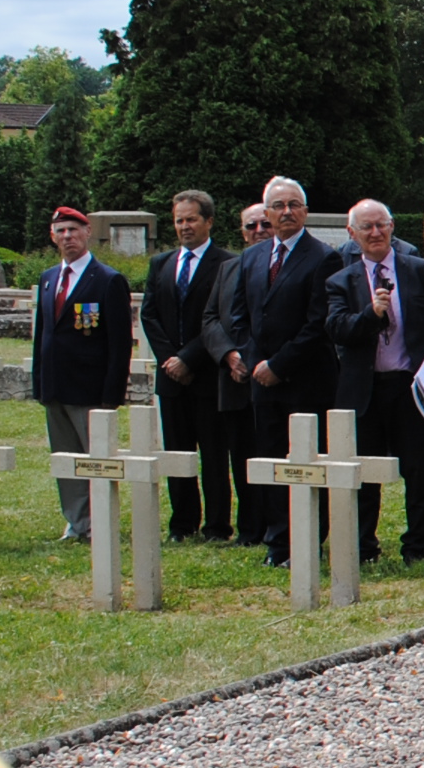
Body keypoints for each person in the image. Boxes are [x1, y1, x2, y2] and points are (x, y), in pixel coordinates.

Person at [221, 177, 344, 569]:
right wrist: (256, 360)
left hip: (306, 382)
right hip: (263, 383)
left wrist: (279, 365)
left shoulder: (323, 257)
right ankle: (278, 542)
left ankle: (309, 539)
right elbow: (240, 316)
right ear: (266, 213)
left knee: (308, 465)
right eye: (278, 205)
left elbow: (317, 322)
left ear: (305, 212)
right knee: (271, 462)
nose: (286, 212)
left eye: (294, 204)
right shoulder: (253, 258)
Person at [325, 200, 424, 564]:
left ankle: (418, 547)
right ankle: (363, 547)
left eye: (381, 225)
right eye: (367, 228)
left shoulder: (419, 271)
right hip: (365, 390)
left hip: (410, 386)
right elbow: (338, 330)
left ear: (391, 227)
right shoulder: (340, 281)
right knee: (363, 473)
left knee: (419, 469)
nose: (375, 233)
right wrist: (371, 314)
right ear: (352, 234)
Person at [31, 206, 135, 542]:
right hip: (56, 387)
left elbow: (120, 344)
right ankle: (77, 523)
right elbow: (42, 336)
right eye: (60, 231)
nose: (67, 237)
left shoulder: (107, 280)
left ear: (87, 232)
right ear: (52, 236)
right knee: (66, 461)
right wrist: (39, 382)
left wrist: (111, 394)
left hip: (90, 389)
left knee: (96, 461)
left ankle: (100, 521)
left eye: (73, 230)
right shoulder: (48, 279)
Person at [141, 189, 235, 540]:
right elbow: (150, 315)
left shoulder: (226, 264)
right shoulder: (161, 264)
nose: (184, 226)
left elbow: (222, 319)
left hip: (208, 374)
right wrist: (170, 358)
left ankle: (216, 525)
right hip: (171, 378)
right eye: (179, 220)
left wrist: (188, 358)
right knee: (177, 453)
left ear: (208, 221)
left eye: (191, 219)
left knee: (213, 454)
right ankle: (182, 523)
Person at [205, 202, 274, 544]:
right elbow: (210, 319)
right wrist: (229, 355)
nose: (259, 230)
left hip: (272, 377)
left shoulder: (282, 266)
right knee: (243, 458)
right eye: (251, 226)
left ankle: (278, 526)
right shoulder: (228, 269)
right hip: (234, 379)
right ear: (242, 232)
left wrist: (250, 356)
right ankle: (249, 529)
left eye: (265, 223)